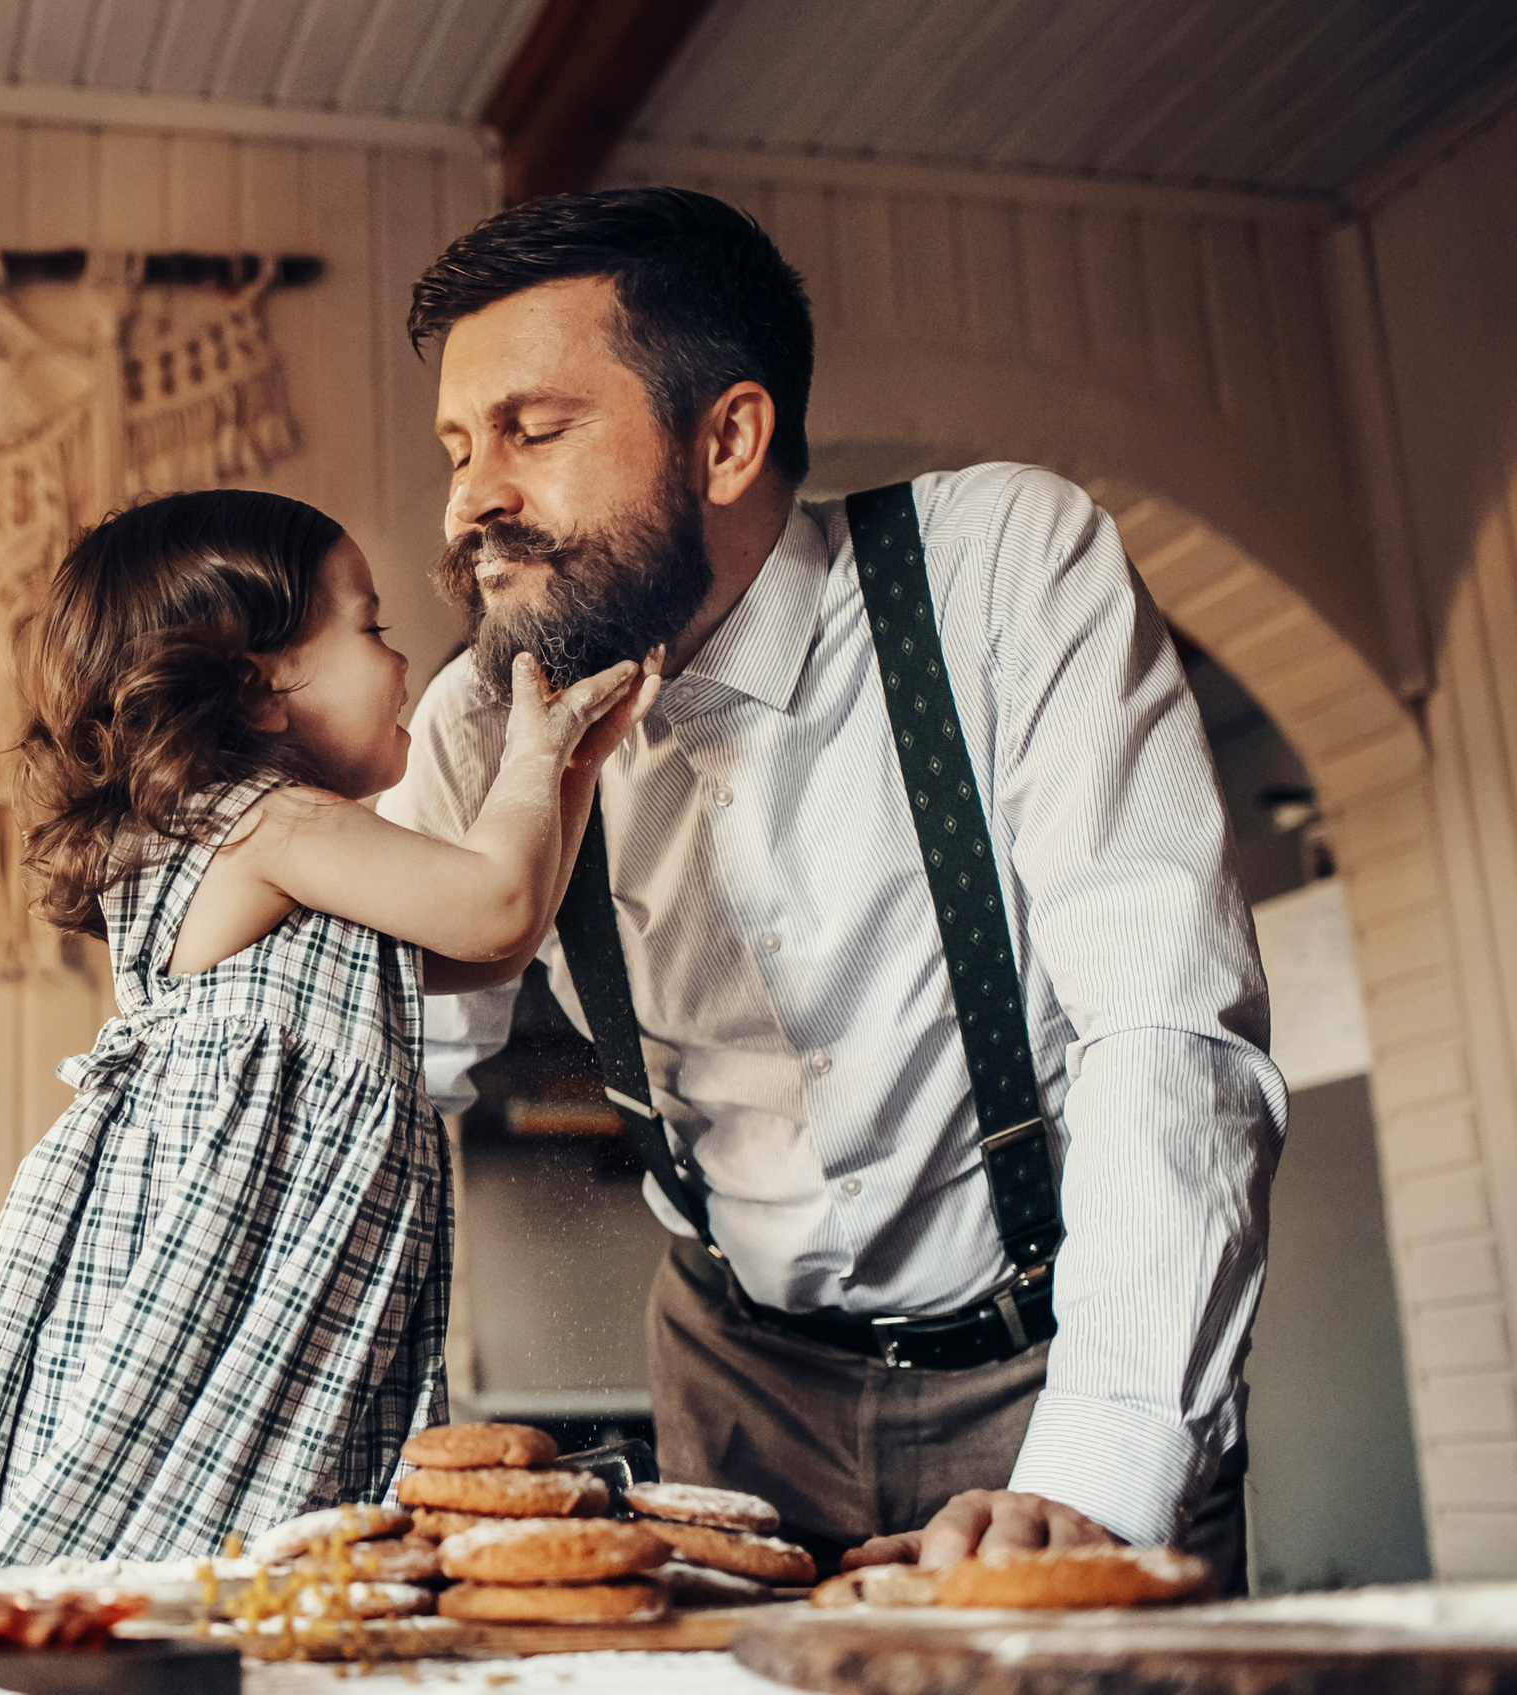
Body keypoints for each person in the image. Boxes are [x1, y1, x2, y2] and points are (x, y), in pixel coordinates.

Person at [377, 188, 1283, 1586]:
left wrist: (1100, 1463)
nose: (471, 496)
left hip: (1069, 1354)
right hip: (735, 1382)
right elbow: (378, 1083)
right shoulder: (478, 718)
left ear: (729, 437)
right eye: (456, 445)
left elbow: (1167, 1021)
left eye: (534, 430)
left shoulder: (999, 568)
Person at [0, 489, 657, 1595]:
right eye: (369, 627)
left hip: (278, 1243)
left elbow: (486, 948)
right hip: (235, 1238)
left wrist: (567, 772)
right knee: (158, 1517)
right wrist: (532, 750)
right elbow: (492, 909)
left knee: (247, 1527)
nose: (400, 655)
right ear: (260, 686)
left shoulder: (274, 838)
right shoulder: (262, 819)